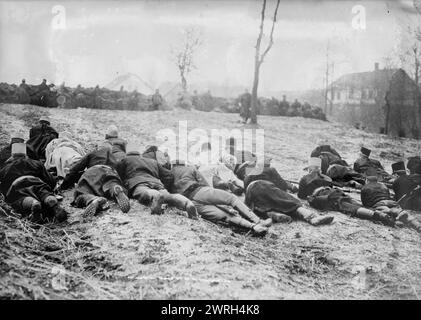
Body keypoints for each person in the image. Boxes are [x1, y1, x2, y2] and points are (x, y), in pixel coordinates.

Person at [170, 160, 271, 235]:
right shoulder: (190, 168)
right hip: (199, 191)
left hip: (190, 203)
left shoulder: (169, 175)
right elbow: (204, 184)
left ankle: (253, 227)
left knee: (225, 216)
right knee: (231, 198)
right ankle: (257, 221)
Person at [238, 161, 333, 226]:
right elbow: (282, 185)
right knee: (291, 201)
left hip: (251, 193)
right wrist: (291, 187)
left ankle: (272, 213)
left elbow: (248, 194)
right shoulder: (269, 169)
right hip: (265, 186)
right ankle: (312, 217)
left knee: (262, 205)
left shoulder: (246, 179)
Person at [117, 150, 197, 218]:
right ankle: (187, 203)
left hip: (139, 182)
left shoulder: (125, 160)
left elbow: (118, 175)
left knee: (146, 192)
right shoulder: (152, 161)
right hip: (157, 183)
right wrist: (164, 185)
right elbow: (168, 175)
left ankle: (156, 195)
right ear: (139, 155)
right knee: (168, 196)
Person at [0, 143, 67, 223]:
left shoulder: (5, 169)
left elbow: (2, 187)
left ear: (12, 156)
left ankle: (33, 203)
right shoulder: (36, 163)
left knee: (21, 199)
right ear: (25, 155)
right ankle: (50, 200)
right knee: (43, 193)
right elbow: (51, 181)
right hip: (37, 183)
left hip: (18, 186)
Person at [59, 144, 130, 216]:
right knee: (112, 183)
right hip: (110, 171)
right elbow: (122, 174)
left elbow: (75, 169)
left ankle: (92, 199)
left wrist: (64, 185)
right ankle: (115, 189)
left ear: (98, 148)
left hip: (93, 171)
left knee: (82, 192)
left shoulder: (92, 153)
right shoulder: (115, 157)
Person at [308, 186, 395, 226]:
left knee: (356, 209)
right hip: (343, 197)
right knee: (362, 207)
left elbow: (314, 200)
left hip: (338, 200)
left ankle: (381, 216)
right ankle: (389, 213)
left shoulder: (319, 194)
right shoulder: (330, 189)